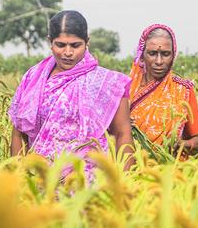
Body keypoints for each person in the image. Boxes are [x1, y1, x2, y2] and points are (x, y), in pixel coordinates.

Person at [9, 10, 133, 178]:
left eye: (75, 45)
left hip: (88, 181)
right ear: (50, 42)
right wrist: (19, 177)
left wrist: (126, 181)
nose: (67, 52)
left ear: (87, 42)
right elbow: (18, 132)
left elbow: (122, 133)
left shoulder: (108, 83)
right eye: (60, 45)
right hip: (41, 180)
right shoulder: (33, 79)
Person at [128, 24, 198, 158]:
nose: (159, 61)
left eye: (165, 54)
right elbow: (104, 134)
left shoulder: (183, 90)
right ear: (142, 55)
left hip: (171, 171)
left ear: (173, 55)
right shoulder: (123, 88)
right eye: (152, 53)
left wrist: (183, 144)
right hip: (132, 171)